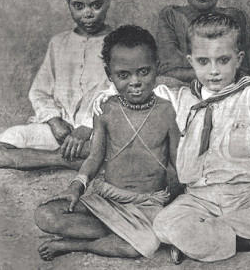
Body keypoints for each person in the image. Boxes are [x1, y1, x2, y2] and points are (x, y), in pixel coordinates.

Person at [152, 13, 250, 264]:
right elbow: (139, 88)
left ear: (238, 59)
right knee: (162, 222)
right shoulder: (184, 99)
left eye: (223, 60)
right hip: (199, 198)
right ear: (191, 61)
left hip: (244, 195)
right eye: (203, 61)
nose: (213, 71)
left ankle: (200, 242)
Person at [34, 25, 180, 261]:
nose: (135, 82)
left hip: (148, 206)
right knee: (45, 215)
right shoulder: (105, 111)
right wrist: (76, 186)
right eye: (124, 75)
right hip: (106, 201)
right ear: (109, 74)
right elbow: (95, 157)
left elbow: (178, 162)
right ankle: (115, 233)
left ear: (157, 67)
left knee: (142, 247)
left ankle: (77, 245)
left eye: (144, 72)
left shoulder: (166, 111)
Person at [0, 0, 114, 170]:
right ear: (68, 3)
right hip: (59, 132)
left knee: (116, 150)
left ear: (108, 0)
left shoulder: (119, 44)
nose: (87, 14)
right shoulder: (58, 43)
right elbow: (40, 92)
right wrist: (54, 121)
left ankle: (85, 156)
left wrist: (87, 127)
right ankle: (63, 160)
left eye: (96, 5)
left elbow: (117, 94)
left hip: (96, 133)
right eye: (78, 6)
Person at [157, 0, 250, 84]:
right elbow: (168, 73)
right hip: (181, 93)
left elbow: (242, 71)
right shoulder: (171, 16)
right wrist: (221, 70)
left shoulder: (234, 17)